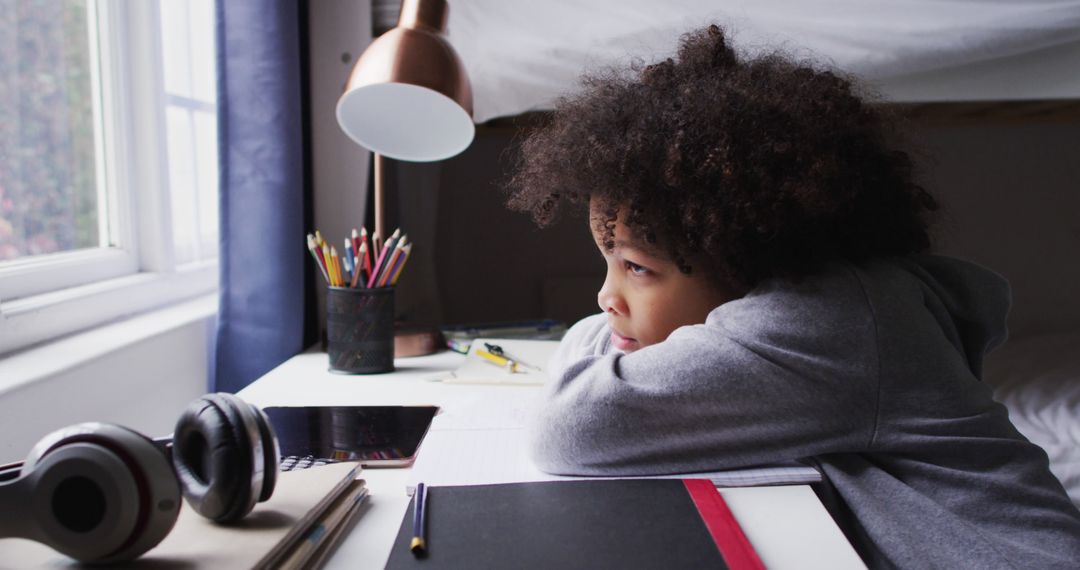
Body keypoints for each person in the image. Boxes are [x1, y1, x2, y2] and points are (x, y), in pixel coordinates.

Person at [505, 24, 1080, 569]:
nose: (607, 296)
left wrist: (590, 337)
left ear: (747, 258)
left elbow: (571, 428)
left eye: (636, 267)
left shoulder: (827, 324)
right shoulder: (845, 307)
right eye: (607, 263)